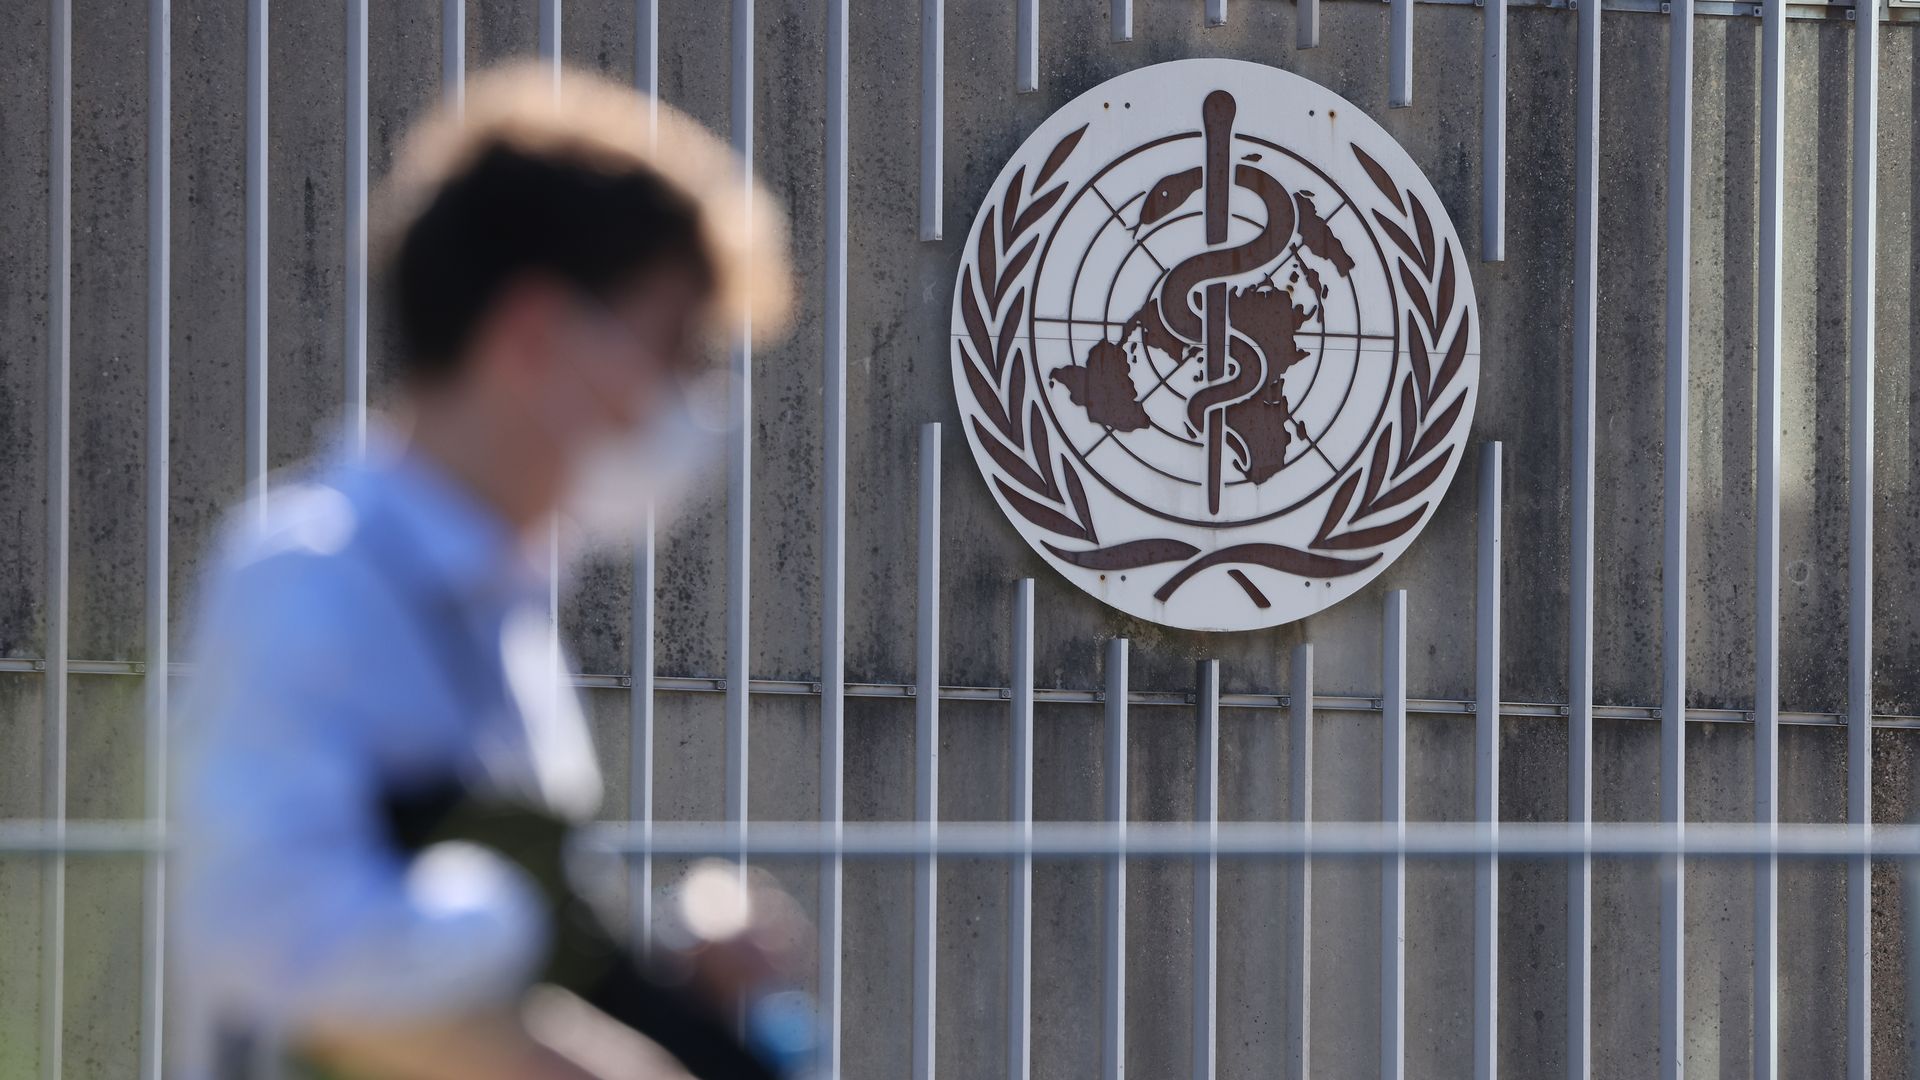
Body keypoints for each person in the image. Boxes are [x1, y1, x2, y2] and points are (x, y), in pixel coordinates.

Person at [174, 63, 795, 1080]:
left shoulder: (502, 601)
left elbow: (497, 954)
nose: (694, 401)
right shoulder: (312, 575)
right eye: (674, 348)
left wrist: (663, 983)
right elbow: (283, 947)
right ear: (532, 334)